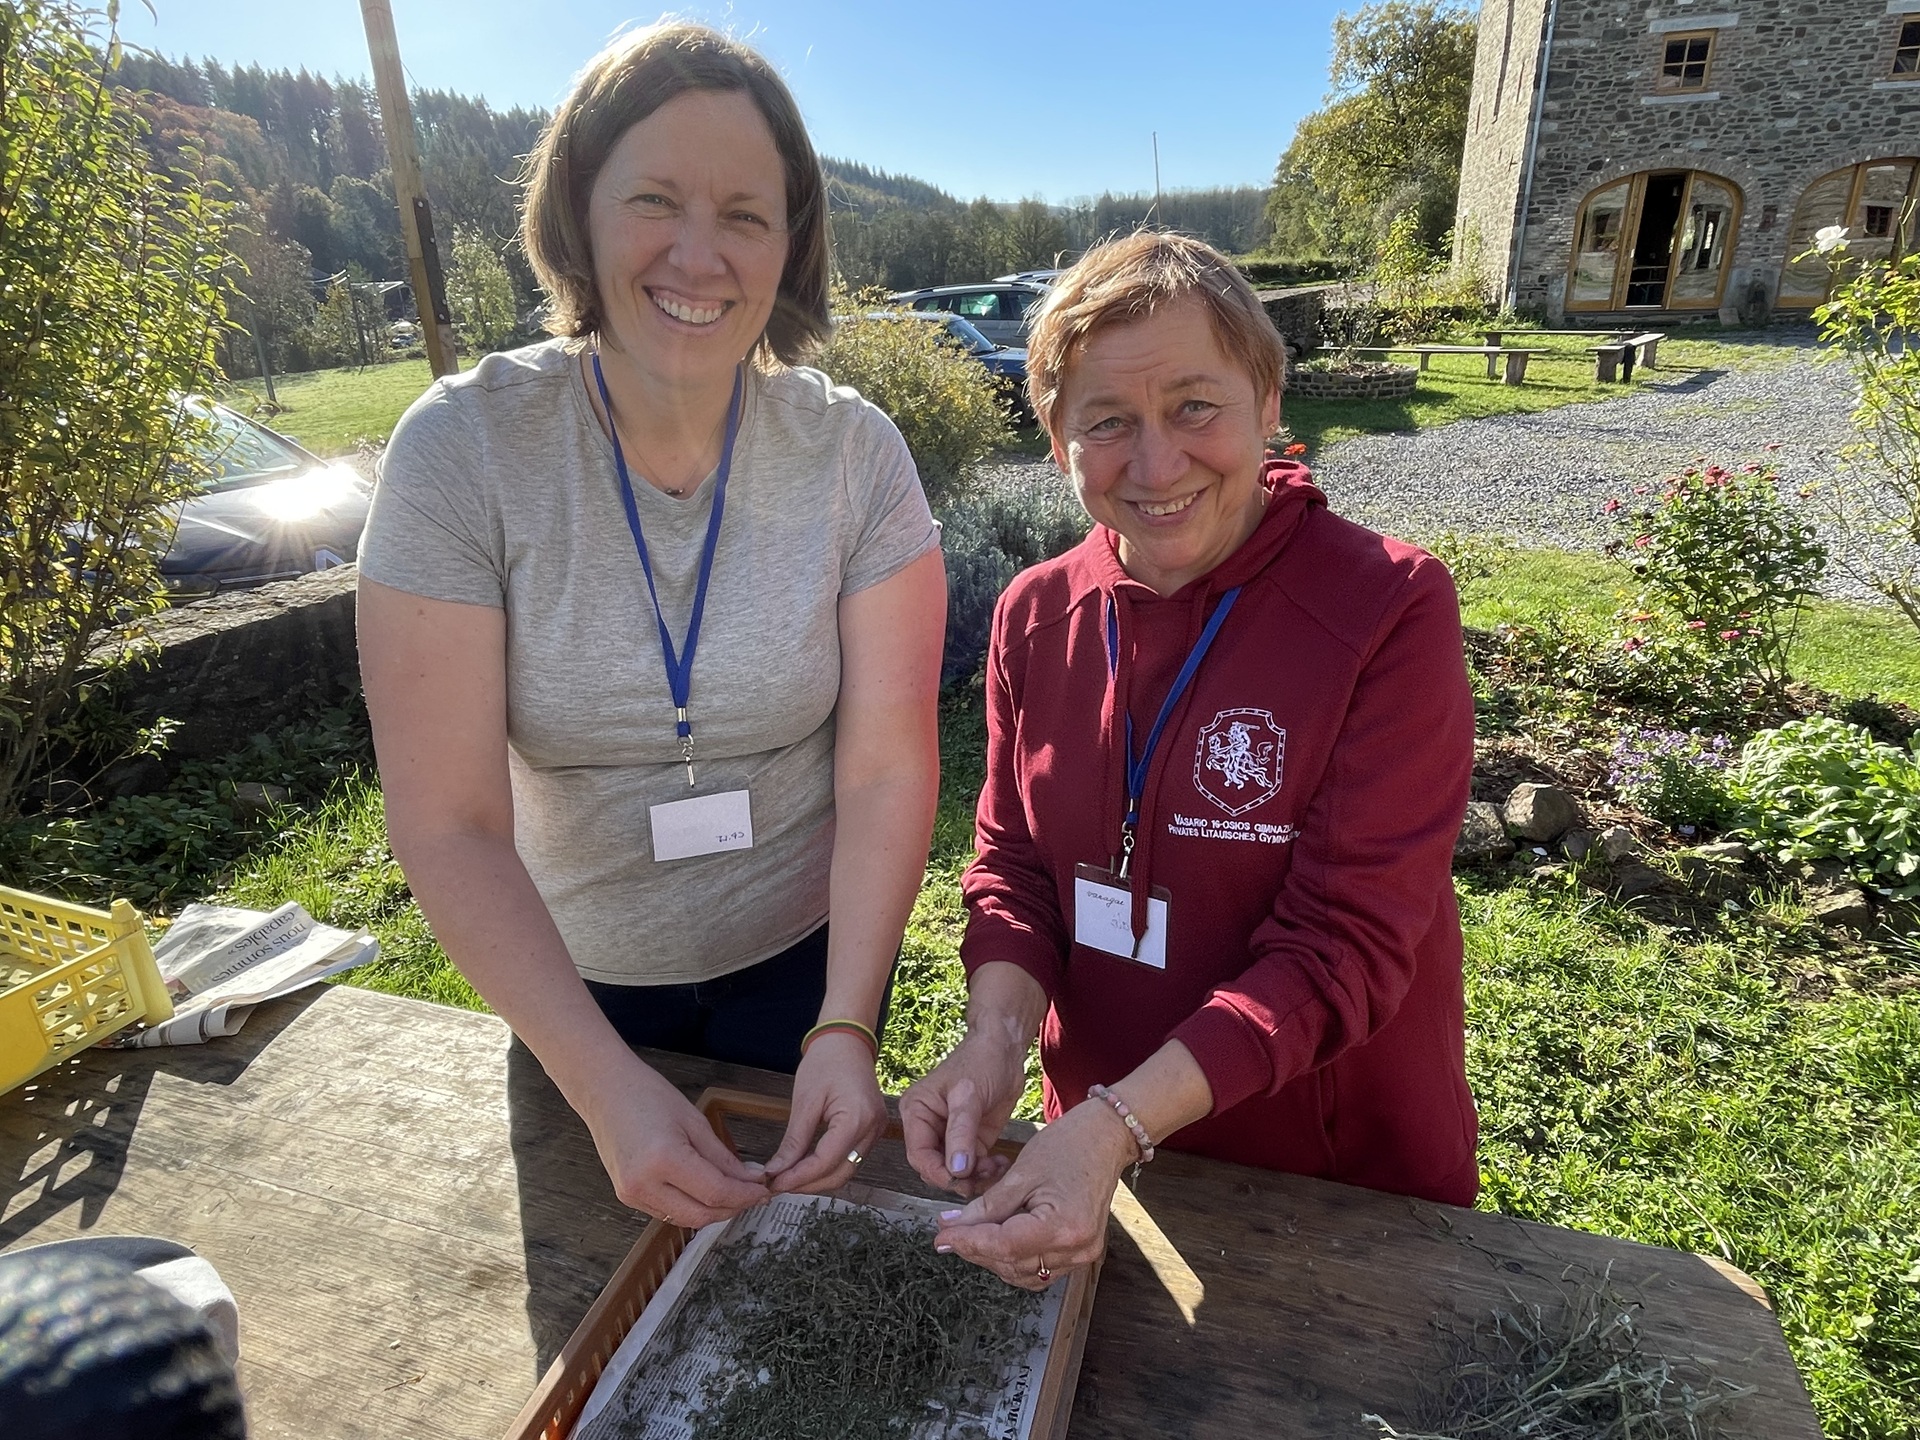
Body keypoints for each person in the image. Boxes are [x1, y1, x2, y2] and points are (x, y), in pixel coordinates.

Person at [357, 22, 946, 1230]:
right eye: (655, 200)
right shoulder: (462, 452)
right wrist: (599, 1083)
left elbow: (887, 763)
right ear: (579, 211)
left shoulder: (852, 454)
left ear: (791, 246)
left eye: (746, 213)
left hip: (806, 963)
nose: (700, 252)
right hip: (573, 986)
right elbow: (450, 818)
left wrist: (849, 1021)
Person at [900, 232, 1477, 1291]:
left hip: (1331, 1181)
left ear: (1268, 401)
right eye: (1107, 422)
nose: (1155, 466)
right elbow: (1013, 867)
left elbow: (1342, 946)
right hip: (1097, 1161)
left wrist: (1120, 1122)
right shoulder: (1035, 616)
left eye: (1194, 408)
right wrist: (993, 1041)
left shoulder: (1387, 608)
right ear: (1055, 437)